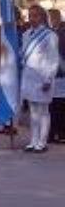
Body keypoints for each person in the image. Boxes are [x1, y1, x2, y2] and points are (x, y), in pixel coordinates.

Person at [21, 5, 59, 153]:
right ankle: (33, 140)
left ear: (42, 17)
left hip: (43, 77)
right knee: (33, 111)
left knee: (43, 110)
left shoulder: (50, 36)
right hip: (29, 77)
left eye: (35, 15)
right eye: (30, 15)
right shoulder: (26, 34)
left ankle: (42, 142)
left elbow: (53, 59)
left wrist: (48, 79)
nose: (32, 19)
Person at [0, 6, 27, 135]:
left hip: (16, 67)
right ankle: (4, 121)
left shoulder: (22, 30)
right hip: (2, 67)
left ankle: (13, 123)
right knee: (3, 95)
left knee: (15, 97)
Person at [48, 8, 65, 143]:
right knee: (52, 105)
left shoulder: (61, 33)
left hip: (60, 73)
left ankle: (59, 132)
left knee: (59, 105)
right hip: (52, 73)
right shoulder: (51, 32)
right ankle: (53, 132)